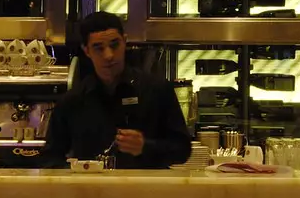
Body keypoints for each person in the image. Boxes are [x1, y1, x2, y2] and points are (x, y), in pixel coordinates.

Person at [42, 12, 191, 169]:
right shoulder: (73, 101)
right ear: (86, 51)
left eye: (114, 45)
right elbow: (50, 158)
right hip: (91, 184)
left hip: (145, 184)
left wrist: (145, 147)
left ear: (125, 42)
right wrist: (77, 170)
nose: (109, 55)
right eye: (99, 48)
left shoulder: (156, 90)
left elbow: (182, 150)